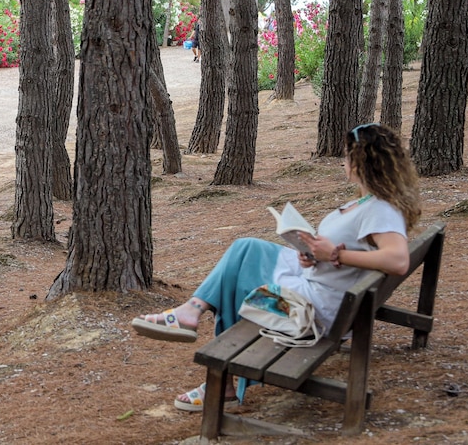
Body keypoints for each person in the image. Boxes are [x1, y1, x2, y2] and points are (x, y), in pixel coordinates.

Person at [130, 122, 420, 411]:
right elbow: (353, 251)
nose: (343, 162)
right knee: (246, 247)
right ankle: (193, 315)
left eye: (347, 155)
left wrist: (334, 254)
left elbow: (397, 261)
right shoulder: (370, 203)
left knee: (234, 281)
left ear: (361, 161)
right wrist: (313, 254)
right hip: (319, 284)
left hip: (315, 308)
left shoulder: (380, 210)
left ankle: (217, 374)